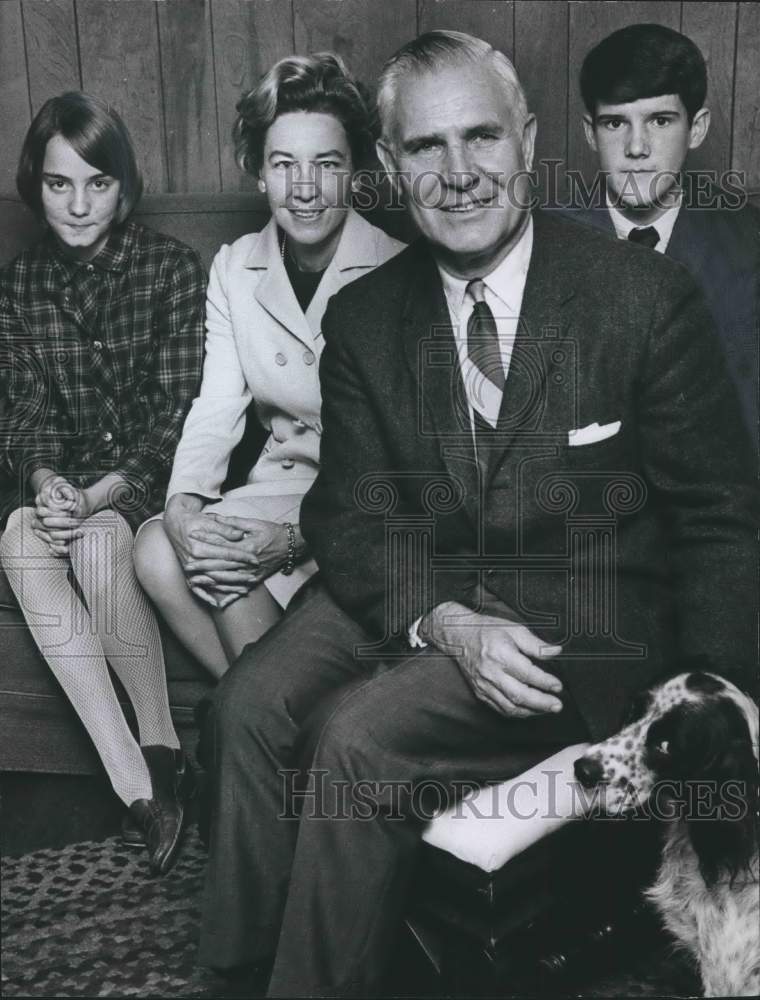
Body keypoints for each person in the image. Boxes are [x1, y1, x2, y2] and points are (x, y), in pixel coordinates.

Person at [199, 31, 757, 996]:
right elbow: (349, 518)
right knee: (245, 707)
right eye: (425, 148)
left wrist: (715, 705)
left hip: (576, 622)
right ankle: (239, 973)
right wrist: (444, 620)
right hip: (427, 584)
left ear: (529, 142)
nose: (458, 174)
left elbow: (717, 513)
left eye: (481, 139)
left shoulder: (641, 296)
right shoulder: (369, 317)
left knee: (356, 742)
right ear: (391, 165)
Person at [134, 53, 404, 679]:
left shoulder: (398, 270)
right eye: (284, 164)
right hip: (275, 484)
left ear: (358, 171)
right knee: (154, 548)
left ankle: (266, 740)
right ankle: (261, 719)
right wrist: (183, 506)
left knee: (221, 568)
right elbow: (216, 405)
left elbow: (394, 460)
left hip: (363, 505)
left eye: (327, 164)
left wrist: (288, 542)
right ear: (259, 173)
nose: (304, 188)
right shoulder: (234, 267)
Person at [0, 92, 206, 875]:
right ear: (36, 187)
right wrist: (49, 481)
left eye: (97, 183)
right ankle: (141, 790)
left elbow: (175, 416)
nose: (79, 204)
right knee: (17, 536)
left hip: (144, 488)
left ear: (124, 187)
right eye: (59, 185)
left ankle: (160, 742)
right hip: (67, 492)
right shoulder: (18, 287)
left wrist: (96, 497)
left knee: (99, 542)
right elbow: (22, 414)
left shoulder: (170, 269)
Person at [570, 22, 758, 433]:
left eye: (659, 121)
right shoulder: (541, 239)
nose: (637, 148)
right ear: (590, 133)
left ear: (697, 128)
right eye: (615, 123)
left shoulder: (750, 244)